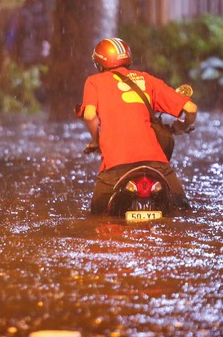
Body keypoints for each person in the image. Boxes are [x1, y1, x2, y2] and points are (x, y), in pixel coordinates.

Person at [78, 37, 197, 214]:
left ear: (100, 64)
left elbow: (89, 115)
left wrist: (95, 141)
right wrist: (182, 127)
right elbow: (191, 108)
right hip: (155, 164)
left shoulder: (95, 82)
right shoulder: (147, 80)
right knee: (182, 211)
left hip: (115, 167)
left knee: (98, 216)